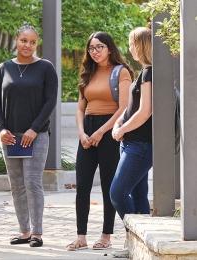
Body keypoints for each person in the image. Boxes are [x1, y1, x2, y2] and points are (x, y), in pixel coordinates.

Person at [0, 24, 58, 248]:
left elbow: (50, 102)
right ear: (16, 40)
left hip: (36, 135)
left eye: (32, 42)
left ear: (36, 44)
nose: (27, 45)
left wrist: (34, 129)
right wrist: (1, 129)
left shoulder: (46, 68)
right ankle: (24, 231)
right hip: (9, 136)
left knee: (32, 182)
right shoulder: (4, 68)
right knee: (16, 184)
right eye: (23, 40)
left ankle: (37, 233)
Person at [66, 32, 133, 251]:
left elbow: (123, 108)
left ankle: (106, 235)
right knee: (82, 185)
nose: (94, 52)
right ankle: (81, 236)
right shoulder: (88, 72)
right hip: (87, 129)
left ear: (110, 49)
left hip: (109, 131)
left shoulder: (121, 72)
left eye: (99, 47)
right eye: (91, 48)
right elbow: (80, 107)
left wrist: (101, 132)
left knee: (108, 186)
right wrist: (81, 133)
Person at [110, 27, 152, 258]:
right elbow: (131, 108)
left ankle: (136, 239)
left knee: (117, 192)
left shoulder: (149, 74)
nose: (129, 48)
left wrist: (121, 129)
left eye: (131, 43)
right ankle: (138, 247)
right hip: (131, 142)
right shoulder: (144, 72)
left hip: (140, 145)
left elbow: (145, 111)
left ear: (141, 45)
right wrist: (119, 125)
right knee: (138, 197)